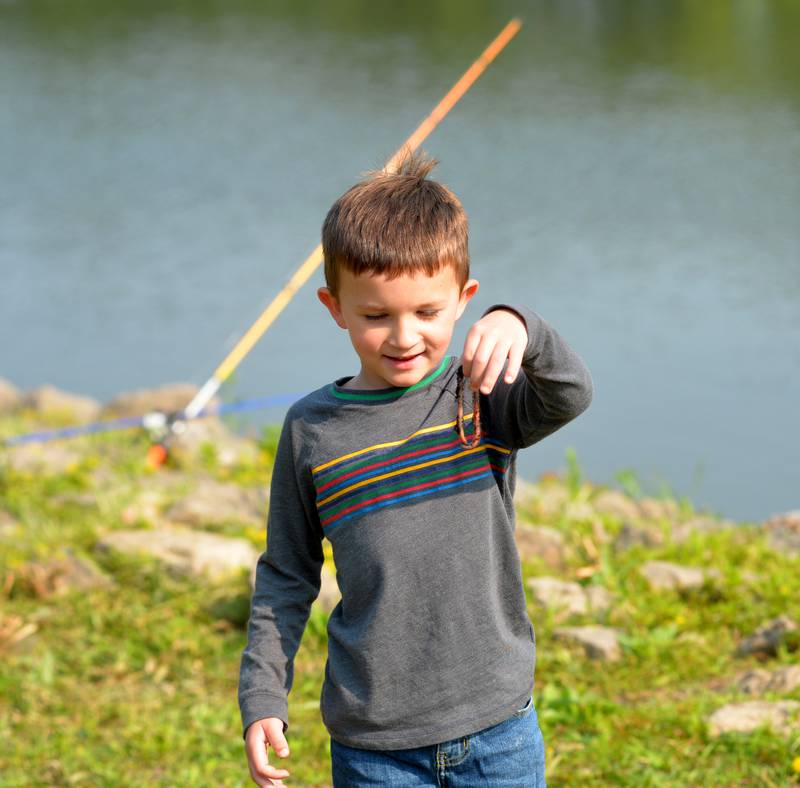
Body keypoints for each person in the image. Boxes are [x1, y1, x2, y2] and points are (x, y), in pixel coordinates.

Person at [238, 150, 593, 787]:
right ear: (334, 305)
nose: (404, 337)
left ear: (464, 299)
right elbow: (286, 574)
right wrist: (264, 696)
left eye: (427, 312)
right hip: (375, 743)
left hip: (500, 727)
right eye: (376, 316)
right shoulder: (311, 431)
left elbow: (570, 393)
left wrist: (525, 328)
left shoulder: (480, 395)